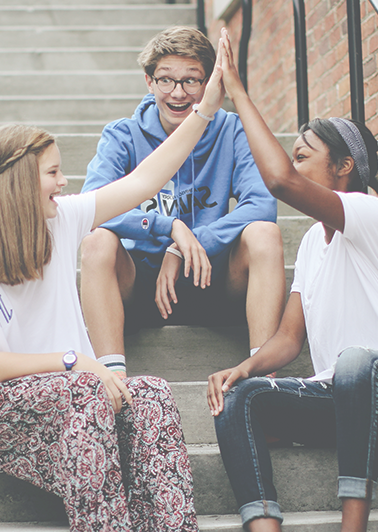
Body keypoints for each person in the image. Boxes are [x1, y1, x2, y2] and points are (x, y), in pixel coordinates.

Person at [0, 55, 224, 532]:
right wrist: (76, 361)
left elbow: (145, 179)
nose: (64, 183)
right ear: (20, 181)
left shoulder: (61, 219)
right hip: (18, 409)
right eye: (53, 174)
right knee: (86, 390)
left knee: (151, 392)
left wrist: (204, 111)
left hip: (82, 403)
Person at [207, 28, 378, 532]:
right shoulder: (310, 242)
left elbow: (280, 181)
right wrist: (243, 368)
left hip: (372, 389)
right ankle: (263, 525)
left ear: (345, 166)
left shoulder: (367, 213)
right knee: (237, 396)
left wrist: (237, 91)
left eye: (304, 154)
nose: (292, 162)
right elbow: (287, 338)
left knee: (355, 362)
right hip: (337, 402)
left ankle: (354, 522)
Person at [80, 26, 286, 375]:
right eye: (165, 80)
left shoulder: (231, 129)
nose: (178, 93)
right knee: (97, 241)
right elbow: (90, 205)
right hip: (141, 284)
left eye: (191, 81)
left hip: (212, 277)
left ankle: (265, 381)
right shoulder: (123, 135)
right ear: (149, 82)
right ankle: (112, 381)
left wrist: (190, 243)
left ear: (209, 84)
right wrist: (169, 227)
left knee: (265, 233)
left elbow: (262, 205)